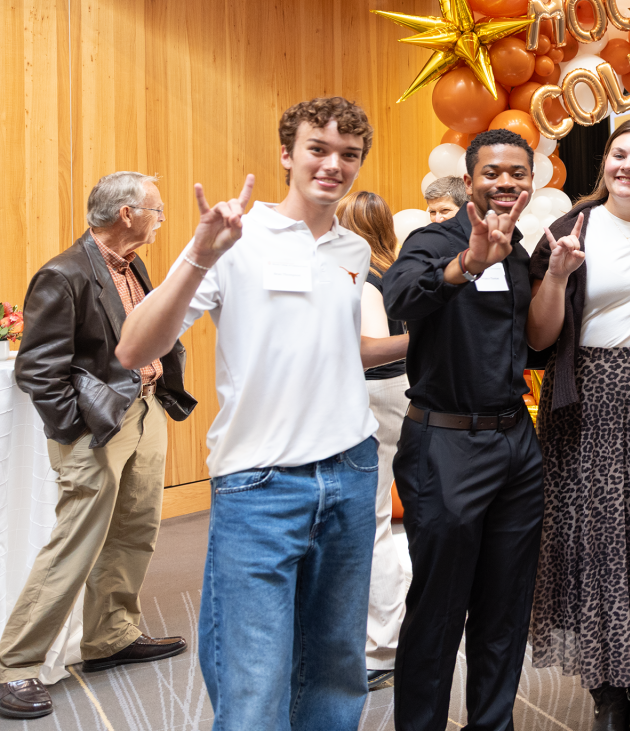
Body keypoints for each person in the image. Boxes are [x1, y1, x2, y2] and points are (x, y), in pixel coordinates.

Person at [117, 97, 403, 731]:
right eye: (318, 150)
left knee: (336, 668)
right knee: (255, 680)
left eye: (348, 155)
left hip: (351, 471)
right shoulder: (234, 237)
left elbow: (338, 351)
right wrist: (198, 253)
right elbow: (135, 348)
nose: (333, 165)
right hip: (261, 482)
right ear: (286, 155)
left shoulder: (353, 252)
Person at [0, 173, 195, 720]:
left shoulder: (131, 264)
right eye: (156, 209)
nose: (162, 218)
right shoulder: (62, 274)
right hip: (96, 427)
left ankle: (111, 636)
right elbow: (38, 369)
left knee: (135, 529)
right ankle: (14, 665)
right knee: (75, 543)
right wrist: (75, 430)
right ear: (127, 214)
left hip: (146, 409)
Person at [526, 119, 630, 731]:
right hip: (586, 398)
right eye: (619, 155)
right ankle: (606, 691)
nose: (628, 166)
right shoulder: (568, 229)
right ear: (604, 163)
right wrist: (557, 275)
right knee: (596, 540)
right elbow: (538, 339)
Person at [382, 128, 542, 731]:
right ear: (470, 179)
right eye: (493, 173)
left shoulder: (523, 251)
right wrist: (467, 263)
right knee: (440, 610)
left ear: (532, 182)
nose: (505, 183)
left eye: (518, 174)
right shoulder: (434, 239)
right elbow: (403, 295)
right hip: (446, 444)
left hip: (515, 445)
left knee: (504, 610)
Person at [335, 191, 412, 690]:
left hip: (375, 395)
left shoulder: (361, 277)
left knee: (374, 522)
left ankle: (382, 648)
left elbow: (371, 351)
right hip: (401, 393)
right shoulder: (397, 269)